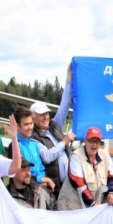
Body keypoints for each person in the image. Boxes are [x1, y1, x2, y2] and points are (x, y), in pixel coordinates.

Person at [30, 66, 75, 195]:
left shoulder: (54, 125)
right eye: (41, 114)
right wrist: (65, 141)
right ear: (33, 118)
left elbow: (65, 104)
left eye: (47, 113)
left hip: (69, 184)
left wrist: (69, 79)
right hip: (53, 189)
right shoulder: (33, 137)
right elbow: (47, 157)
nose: (46, 117)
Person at [57, 127, 113, 210]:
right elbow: (80, 185)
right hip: (70, 207)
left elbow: (111, 177)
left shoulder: (105, 155)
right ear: (85, 141)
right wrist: (92, 203)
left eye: (97, 141)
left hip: (89, 207)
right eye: (91, 141)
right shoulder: (76, 157)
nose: (94, 145)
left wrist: (112, 192)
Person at [12, 106, 56, 194]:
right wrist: (44, 180)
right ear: (17, 126)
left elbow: (40, 167)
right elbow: (20, 174)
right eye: (26, 124)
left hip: (43, 188)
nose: (30, 127)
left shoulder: (34, 144)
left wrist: (45, 180)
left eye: (31, 123)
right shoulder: (15, 146)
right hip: (27, 190)